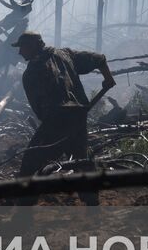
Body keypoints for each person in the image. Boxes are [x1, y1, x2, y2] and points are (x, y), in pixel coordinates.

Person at [11, 31, 115, 204]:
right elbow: (99, 58)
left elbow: (39, 109)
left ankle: (23, 208)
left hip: (57, 120)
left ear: (34, 45)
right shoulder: (66, 55)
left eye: (23, 47)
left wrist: (51, 126)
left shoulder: (31, 73)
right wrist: (108, 78)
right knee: (82, 160)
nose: (20, 52)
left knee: (31, 161)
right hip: (78, 117)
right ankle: (92, 204)